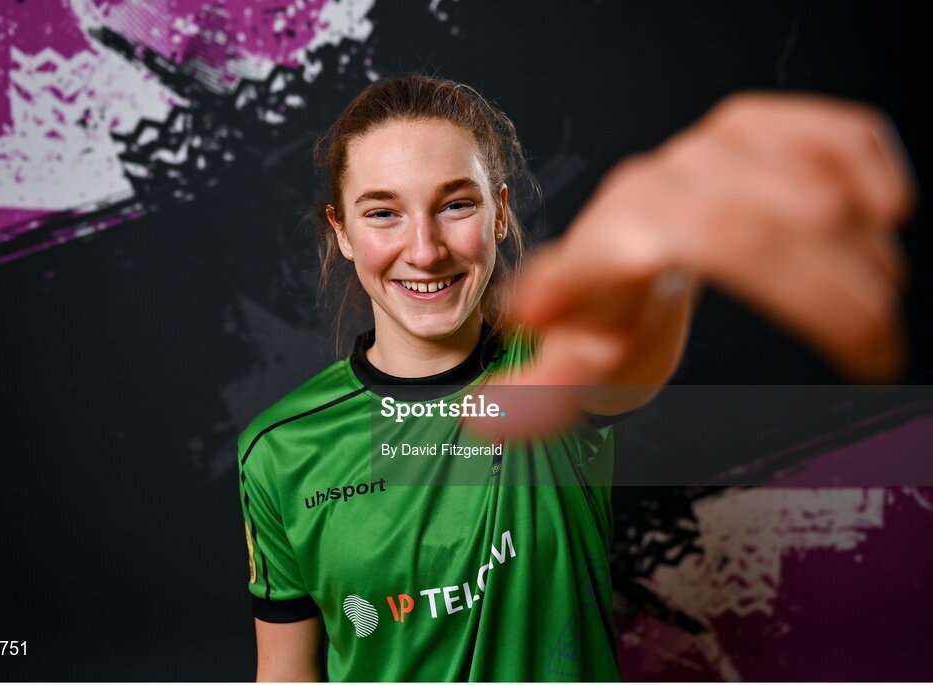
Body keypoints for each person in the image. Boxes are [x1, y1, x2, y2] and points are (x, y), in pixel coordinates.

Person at [237, 75, 913, 681]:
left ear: (501, 213)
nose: (423, 248)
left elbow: (618, 350)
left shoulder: (550, 364)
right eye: (383, 211)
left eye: (456, 205)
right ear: (343, 231)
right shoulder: (279, 450)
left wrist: (659, 267)